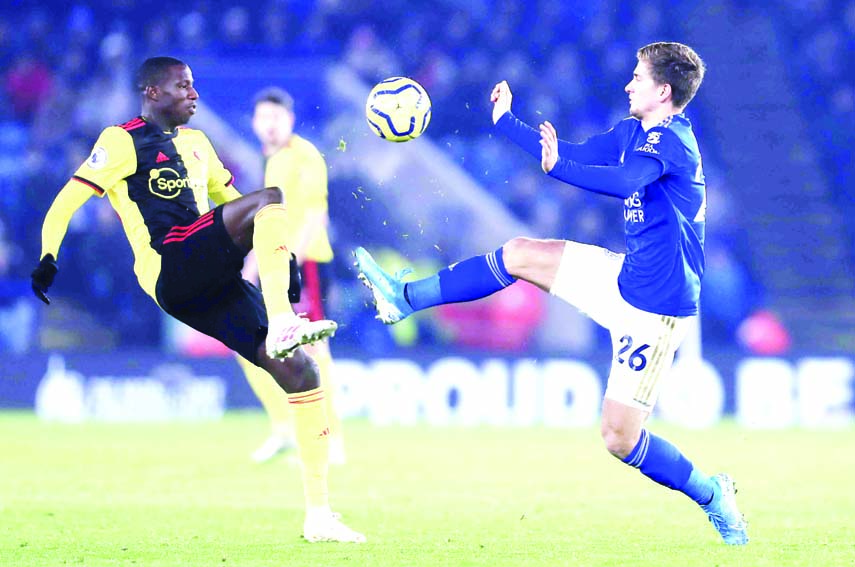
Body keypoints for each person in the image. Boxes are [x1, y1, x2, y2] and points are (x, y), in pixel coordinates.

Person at [355, 42, 748, 545]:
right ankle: (404, 297)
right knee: (520, 252)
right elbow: (581, 154)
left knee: (619, 438)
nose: (628, 84)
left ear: (663, 91)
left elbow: (622, 178)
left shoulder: (675, 144)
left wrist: (557, 167)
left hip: (656, 310)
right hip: (626, 278)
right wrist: (508, 123)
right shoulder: (635, 131)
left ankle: (712, 494)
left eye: (638, 77)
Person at [29, 56, 364, 544]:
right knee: (270, 196)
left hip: (207, 280)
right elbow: (67, 199)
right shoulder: (121, 140)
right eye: (183, 86)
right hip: (170, 263)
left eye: (194, 85)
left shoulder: (199, 144)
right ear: (152, 91)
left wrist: (279, 252)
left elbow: (234, 202)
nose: (194, 94)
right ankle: (282, 319)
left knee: (302, 372)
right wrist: (48, 255)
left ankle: (319, 516)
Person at [236, 87, 346, 465]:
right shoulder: (272, 161)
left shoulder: (305, 156)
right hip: (276, 267)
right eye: (263, 118)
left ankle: (331, 441)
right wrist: (251, 269)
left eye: (276, 118)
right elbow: (270, 225)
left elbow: (316, 216)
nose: (269, 125)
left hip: (308, 265)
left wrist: (290, 262)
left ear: (290, 121)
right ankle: (284, 429)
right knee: (248, 344)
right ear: (253, 123)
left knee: (315, 352)